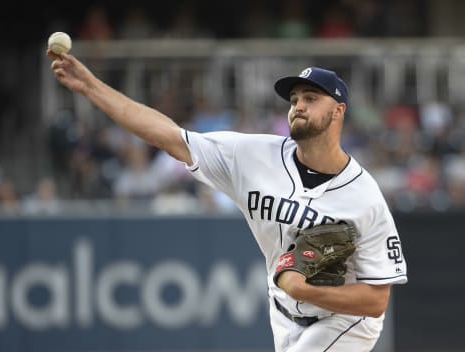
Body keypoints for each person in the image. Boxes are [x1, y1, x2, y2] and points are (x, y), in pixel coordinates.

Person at [47, 48, 408, 351]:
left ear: (339, 110)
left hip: (346, 322)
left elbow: (376, 302)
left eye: (311, 98)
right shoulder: (251, 156)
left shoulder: (365, 198)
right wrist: (90, 87)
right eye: (295, 99)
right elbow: (168, 136)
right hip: (282, 315)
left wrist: (305, 289)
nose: (298, 105)